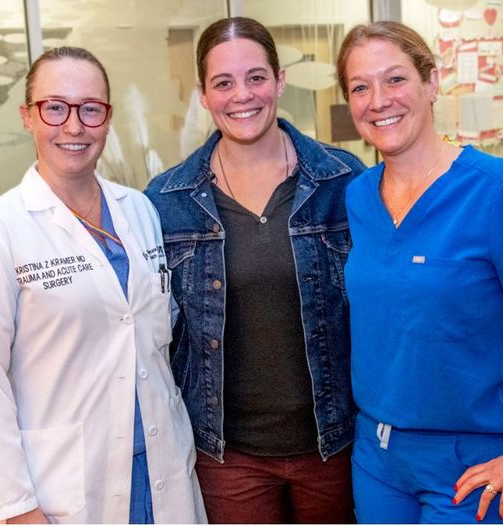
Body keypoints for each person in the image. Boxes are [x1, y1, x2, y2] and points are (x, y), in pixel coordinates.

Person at [336, 21, 503, 524]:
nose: (378, 100)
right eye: (360, 87)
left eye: (395, 79)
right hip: (377, 459)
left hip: (473, 467)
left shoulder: (499, 192)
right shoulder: (358, 196)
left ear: (432, 83)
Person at [0, 46, 206, 524]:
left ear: (107, 119)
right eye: (55, 107)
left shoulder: (140, 211)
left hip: (164, 465)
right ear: (28, 116)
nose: (73, 126)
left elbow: (155, 336)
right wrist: (17, 509)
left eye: (90, 109)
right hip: (67, 488)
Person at [144, 17, 364, 524]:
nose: (242, 95)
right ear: (203, 95)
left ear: (280, 80)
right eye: (223, 82)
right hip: (228, 456)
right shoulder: (166, 201)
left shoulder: (343, 180)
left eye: (256, 77)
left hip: (334, 444)